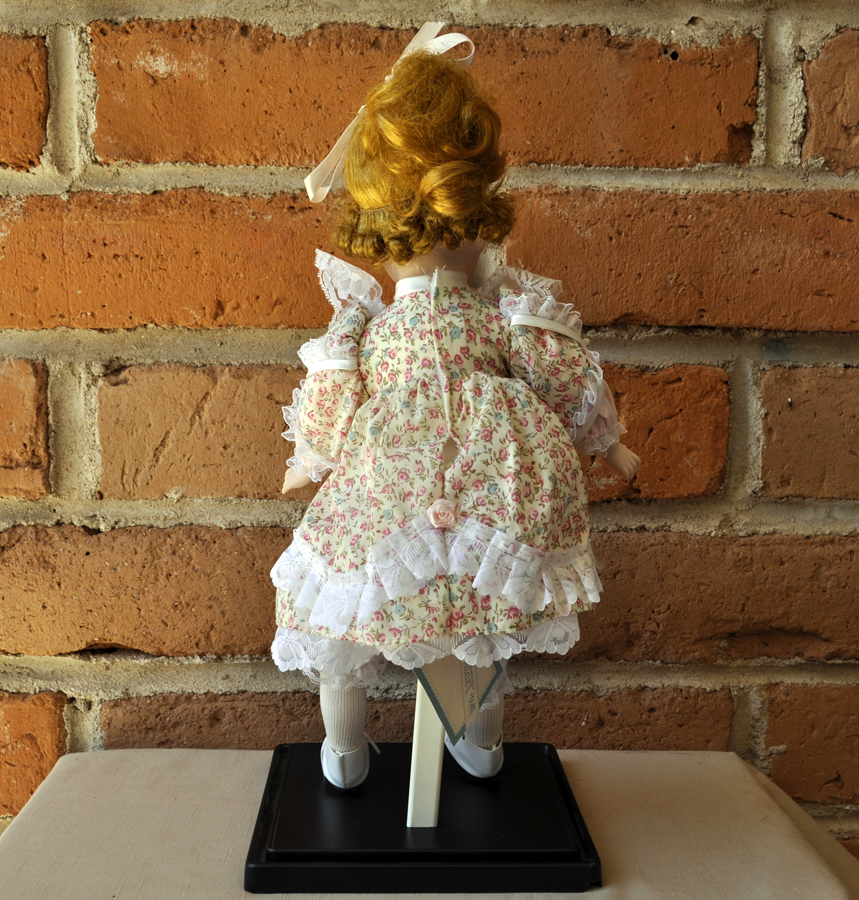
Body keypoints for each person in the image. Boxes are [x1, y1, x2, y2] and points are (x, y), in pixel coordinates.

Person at [272, 30, 640, 790]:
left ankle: (355, 747)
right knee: (467, 621)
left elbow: (335, 408)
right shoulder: (498, 317)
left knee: (354, 611)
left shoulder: (375, 327)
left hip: (402, 491)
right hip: (494, 486)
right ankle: (461, 740)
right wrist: (608, 446)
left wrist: (311, 459)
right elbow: (559, 379)